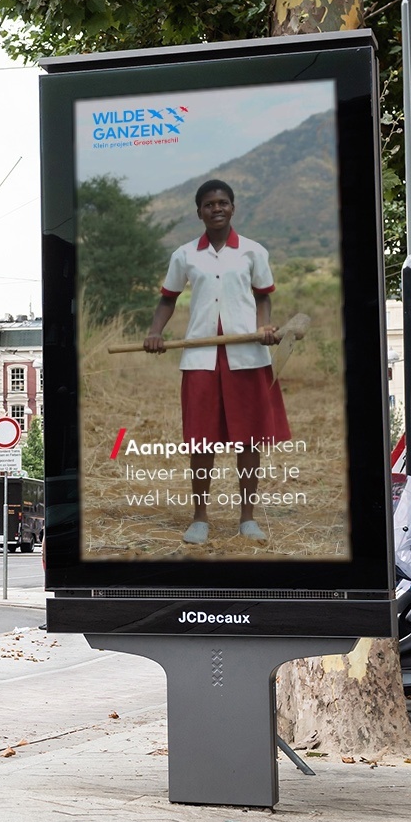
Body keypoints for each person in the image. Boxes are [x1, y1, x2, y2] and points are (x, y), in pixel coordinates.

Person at [141, 178, 289, 549]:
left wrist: (263, 327)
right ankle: (200, 518)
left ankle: (247, 518)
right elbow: (167, 300)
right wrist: (155, 333)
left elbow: (263, 297)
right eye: (209, 204)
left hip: (248, 356)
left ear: (233, 208)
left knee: (249, 440)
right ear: (199, 212)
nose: (217, 208)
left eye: (223, 202)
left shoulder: (253, 252)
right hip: (201, 357)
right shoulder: (185, 255)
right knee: (201, 440)